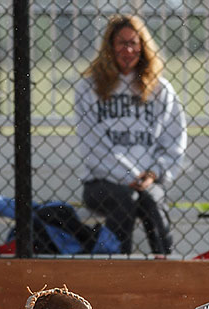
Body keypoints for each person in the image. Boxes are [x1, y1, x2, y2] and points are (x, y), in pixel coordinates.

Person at [75, 14, 187, 256]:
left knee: (152, 200)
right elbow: (92, 145)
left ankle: (167, 266)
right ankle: (116, 271)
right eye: (121, 43)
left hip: (147, 180)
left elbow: (175, 141)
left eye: (133, 43)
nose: (128, 49)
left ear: (143, 47)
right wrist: (128, 175)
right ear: (110, 47)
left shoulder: (160, 90)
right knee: (125, 199)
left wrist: (153, 173)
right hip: (101, 181)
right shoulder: (89, 88)